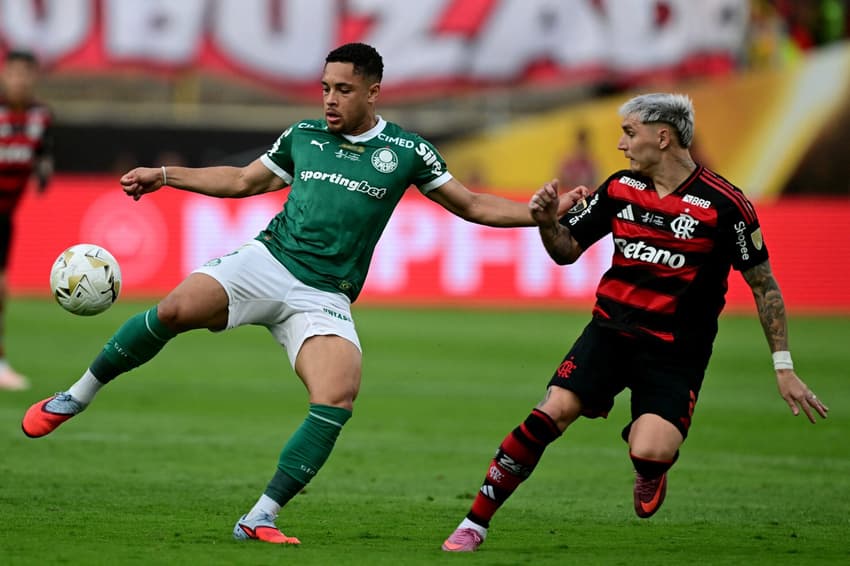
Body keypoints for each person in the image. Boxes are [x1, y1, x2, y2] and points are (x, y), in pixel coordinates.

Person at [20, 43, 584, 545]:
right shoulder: (304, 136)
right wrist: (166, 175)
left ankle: (259, 516)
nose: (330, 100)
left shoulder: (407, 150)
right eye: (324, 89)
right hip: (268, 261)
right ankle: (76, 395)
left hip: (324, 296)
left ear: (372, 91)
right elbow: (244, 181)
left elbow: (473, 205)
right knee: (173, 308)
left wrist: (541, 214)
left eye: (342, 89)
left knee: (337, 395)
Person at [442, 92, 829, 552]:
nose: (622, 144)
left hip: (675, 351)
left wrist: (783, 366)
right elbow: (566, 251)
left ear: (662, 137)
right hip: (609, 332)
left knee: (650, 450)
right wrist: (547, 222)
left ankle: (650, 470)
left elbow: (764, 286)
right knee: (552, 412)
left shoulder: (726, 206)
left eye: (630, 132)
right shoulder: (619, 188)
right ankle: (474, 523)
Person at [0, 49, 53, 391]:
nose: (18, 80)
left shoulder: (41, 118)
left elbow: (43, 158)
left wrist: (43, 171)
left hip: (5, 216)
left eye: (25, 74)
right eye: (13, 73)